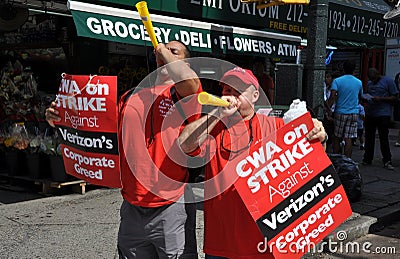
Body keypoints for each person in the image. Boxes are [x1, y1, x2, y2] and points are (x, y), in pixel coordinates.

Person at [45, 41, 202, 258]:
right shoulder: (129, 96)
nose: (162, 52)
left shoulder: (184, 95)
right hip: (131, 208)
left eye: (173, 51)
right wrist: (59, 117)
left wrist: (164, 51)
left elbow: (189, 82)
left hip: (171, 206)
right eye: (160, 49)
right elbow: (95, 125)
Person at [178, 67, 327, 259]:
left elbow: (313, 160)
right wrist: (217, 113)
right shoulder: (214, 127)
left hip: (264, 242)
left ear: (255, 95)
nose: (231, 95)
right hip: (221, 243)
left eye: (239, 90)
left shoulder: (276, 126)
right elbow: (184, 145)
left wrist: (320, 137)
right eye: (227, 90)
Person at [362, 68, 399, 170]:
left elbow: (395, 97)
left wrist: (381, 99)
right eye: (371, 79)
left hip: (383, 114)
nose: (372, 80)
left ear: (378, 75)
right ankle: (367, 158)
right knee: (369, 137)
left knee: (383, 138)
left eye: (374, 78)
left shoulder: (388, 81)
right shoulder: (370, 84)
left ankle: (387, 160)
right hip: (371, 113)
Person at [327, 60, 363, 158]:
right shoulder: (359, 82)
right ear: (354, 69)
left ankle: (336, 158)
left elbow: (332, 96)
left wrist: (328, 108)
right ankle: (348, 160)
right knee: (349, 138)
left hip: (340, 111)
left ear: (343, 68)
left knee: (337, 137)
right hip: (354, 112)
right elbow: (360, 96)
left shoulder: (337, 81)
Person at [323, 71, 341, 153]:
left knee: (333, 135)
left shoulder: (334, 90)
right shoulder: (326, 88)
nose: (326, 79)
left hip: (333, 112)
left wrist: (328, 110)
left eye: (328, 77)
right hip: (329, 112)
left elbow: (331, 99)